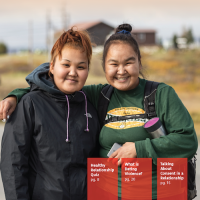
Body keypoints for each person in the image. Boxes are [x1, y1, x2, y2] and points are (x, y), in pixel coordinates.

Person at [0, 24, 198, 200]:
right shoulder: (98, 95)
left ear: (139, 61)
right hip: (107, 195)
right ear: (104, 66)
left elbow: (188, 140)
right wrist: (17, 95)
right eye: (113, 64)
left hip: (159, 194)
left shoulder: (159, 94)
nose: (121, 70)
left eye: (128, 62)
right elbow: (54, 88)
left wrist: (138, 149)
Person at [0, 28, 100, 200]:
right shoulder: (29, 104)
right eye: (66, 65)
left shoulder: (91, 106)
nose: (73, 72)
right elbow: (13, 164)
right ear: (52, 67)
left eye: (81, 67)